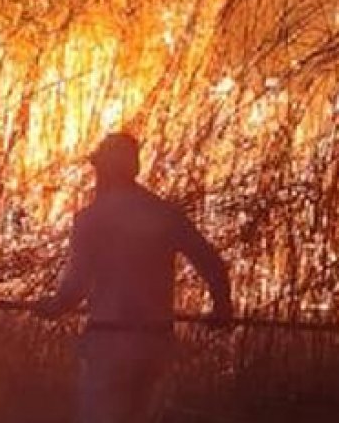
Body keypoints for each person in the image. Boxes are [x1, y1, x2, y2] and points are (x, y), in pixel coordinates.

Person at [36, 132, 234, 423]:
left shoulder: (92, 219)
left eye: (98, 168)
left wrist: (53, 306)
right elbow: (212, 264)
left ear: (105, 170)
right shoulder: (164, 214)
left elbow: (75, 287)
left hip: (110, 343)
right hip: (156, 344)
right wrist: (222, 307)